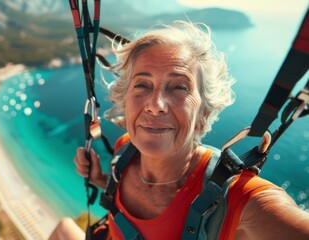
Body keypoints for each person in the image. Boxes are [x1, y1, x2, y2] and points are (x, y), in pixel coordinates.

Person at [49, 21, 309, 240]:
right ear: (124, 101)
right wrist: (100, 180)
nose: (155, 105)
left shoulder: (244, 199)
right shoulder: (125, 150)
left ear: (204, 112)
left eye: (179, 88)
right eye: (142, 85)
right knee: (62, 227)